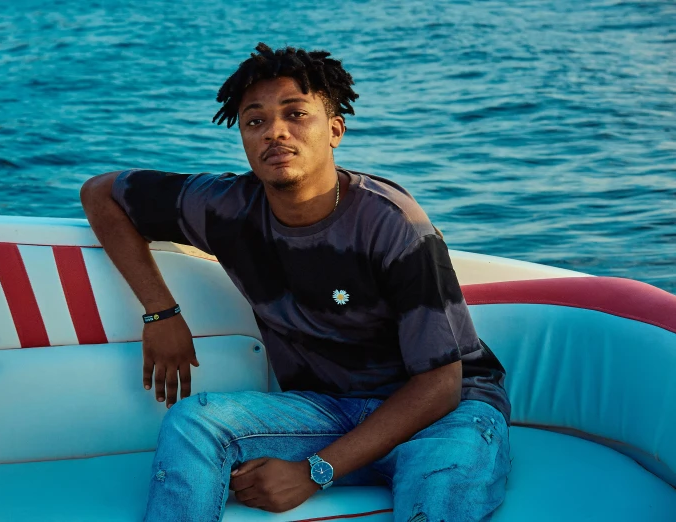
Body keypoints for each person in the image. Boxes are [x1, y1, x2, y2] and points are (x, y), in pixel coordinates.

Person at [81, 43, 511, 522]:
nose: (275, 132)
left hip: (443, 419)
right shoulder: (225, 207)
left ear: (334, 131)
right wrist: (161, 313)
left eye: (295, 114)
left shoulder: (393, 224)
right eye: (255, 121)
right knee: (193, 422)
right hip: (327, 412)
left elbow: (440, 385)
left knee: (439, 491)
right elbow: (101, 194)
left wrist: (313, 472)